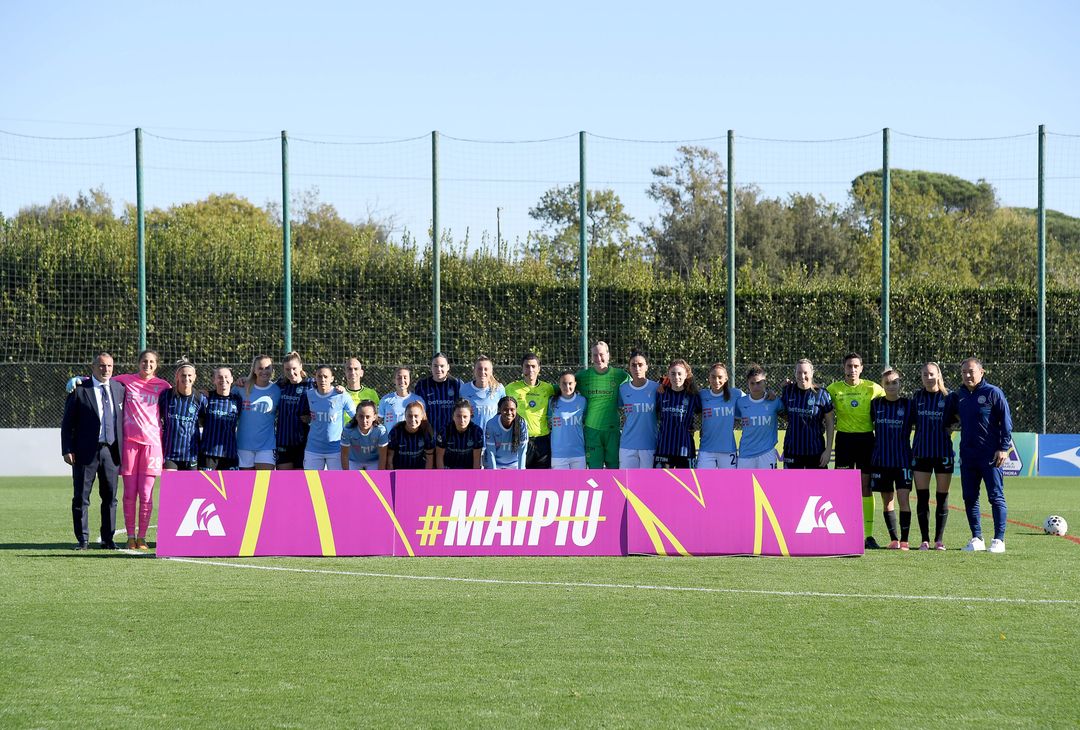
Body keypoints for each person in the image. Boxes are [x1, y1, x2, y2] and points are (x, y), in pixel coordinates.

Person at [948, 358, 1013, 554]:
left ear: (982, 372)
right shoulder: (957, 395)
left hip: (991, 455)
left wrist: (1003, 447)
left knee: (995, 497)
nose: (968, 375)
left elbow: (1006, 422)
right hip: (968, 455)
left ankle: (999, 540)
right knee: (969, 497)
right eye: (964, 372)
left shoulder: (993, 393)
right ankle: (977, 538)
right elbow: (948, 419)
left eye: (971, 371)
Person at [61, 352, 124, 550]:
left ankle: (108, 538)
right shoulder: (80, 390)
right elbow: (67, 424)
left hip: (111, 451)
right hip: (85, 451)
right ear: (93, 367)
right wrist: (67, 449)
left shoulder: (119, 388)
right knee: (81, 497)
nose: (106, 370)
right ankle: (83, 539)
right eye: (102, 366)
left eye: (109, 366)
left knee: (110, 497)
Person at [108, 350, 170, 549]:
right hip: (129, 444)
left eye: (152, 362)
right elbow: (102, 379)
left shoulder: (163, 386)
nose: (148, 365)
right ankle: (130, 537)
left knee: (145, 494)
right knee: (129, 493)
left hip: (152, 446)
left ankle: (142, 537)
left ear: (156, 365)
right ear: (138, 363)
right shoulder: (125, 380)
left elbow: (182, 392)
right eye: (144, 361)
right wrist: (79, 380)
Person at [827, 353, 886, 549]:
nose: (852, 370)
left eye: (855, 366)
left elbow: (890, 402)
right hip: (844, 440)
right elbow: (818, 398)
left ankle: (868, 535)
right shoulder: (834, 389)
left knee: (866, 488)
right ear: (843, 368)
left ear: (861, 368)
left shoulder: (873, 389)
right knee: (842, 488)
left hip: (866, 440)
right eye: (849, 366)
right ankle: (843, 532)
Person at [910, 362, 955, 550]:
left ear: (938, 375)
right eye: (924, 375)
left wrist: (953, 425)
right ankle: (925, 540)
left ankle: (939, 540)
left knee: (942, 496)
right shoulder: (917, 397)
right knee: (922, 496)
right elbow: (910, 421)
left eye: (931, 374)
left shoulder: (949, 397)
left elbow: (960, 417)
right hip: (921, 452)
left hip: (943, 452)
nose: (928, 378)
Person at [868, 368, 915, 549]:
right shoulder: (875, 405)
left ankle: (904, 540)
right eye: (887, 383)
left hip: (903, 460)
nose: (891, 386)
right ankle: (894, 539)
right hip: (881, 460)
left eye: (894, 382)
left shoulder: (909, 405)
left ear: (899, 384)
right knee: (887, 501)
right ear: (882, 385)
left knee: (903, 498)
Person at [576, 341, 630, 468]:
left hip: (613, 430)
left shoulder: (620, 375)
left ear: (608, 355)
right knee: (595, 470)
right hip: (591, 430)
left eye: (601, 354)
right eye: (594, 355)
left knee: (615, 468)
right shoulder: (583, 376)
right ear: (591, 357)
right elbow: (564, 384)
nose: (598, 358)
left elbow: (638, 387)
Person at [779, 359, 835, 469]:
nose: (802, 376)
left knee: (818, 486)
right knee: (792, 486)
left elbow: (830, 423)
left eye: (805, 373)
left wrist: (828, 450)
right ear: (795, 373)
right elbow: (782, 413)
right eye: (799, 372)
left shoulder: (822, 394)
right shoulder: (788, 391)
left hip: (816, 452)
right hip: (792, 451)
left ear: (812, 373)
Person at [505, 352, 556, 469]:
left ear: (539, 369)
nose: (530, 369)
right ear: (522, 369)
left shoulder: (548, 388)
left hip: (542, 440)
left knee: (542, 479)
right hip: (521, 439)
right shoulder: (511, 388)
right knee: (521, 478)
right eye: (527, 366)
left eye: (533, 366)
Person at [300, 366, 356, 470]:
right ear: (315, 378)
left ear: (332, 378)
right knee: (311, 483)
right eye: (319, 376)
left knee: (336, 484)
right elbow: (304, 416)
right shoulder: (309, 394)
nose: (323, 380)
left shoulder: (342, 395)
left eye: (326, 376)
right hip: (313, 449)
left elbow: (356, 417)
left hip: (336, 449)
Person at [159, 361, 207, 477]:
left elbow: (204, 421)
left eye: (189, 375)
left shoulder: (200, 399)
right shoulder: (166, 395)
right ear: (177, 376)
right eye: (183, 375)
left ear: (194, 377)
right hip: (170, 454)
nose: (186, 378)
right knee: (172, 490)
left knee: (189, 492)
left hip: (191, 455)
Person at [653, 359, 701, 469]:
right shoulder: (661, 393)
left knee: (687, 485)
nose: (676, 377)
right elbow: (653, 413)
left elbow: (703, 413)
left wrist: (699, 428)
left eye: (680, 374)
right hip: (664, 448)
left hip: (685, 450)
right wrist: (662, 383)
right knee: (660, 484)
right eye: (673, 374)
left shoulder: (693, 396)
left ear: (686, 375)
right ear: (668, 375)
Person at [236, 354, 281, 470]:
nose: (264, 371)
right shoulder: (241, 387)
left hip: (266, 446)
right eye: (260, 368)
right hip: (243, 445)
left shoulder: (277, 390)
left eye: (267, 368)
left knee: (264, 485)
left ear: (272, 370)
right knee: (246, 486)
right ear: (254, 370)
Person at [735, 364, 785, 469]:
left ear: (765, 382)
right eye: (752, 383)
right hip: (745, 454)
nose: (755, 387)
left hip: (767, 453)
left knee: (768, 485)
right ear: (747, 384)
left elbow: (787, 416)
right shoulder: (740, 403)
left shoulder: (774, 401)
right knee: (744, 485)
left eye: (758, 383)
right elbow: (732, 420)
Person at [617, 350, 659, 469]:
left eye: (640, 365)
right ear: (629, 367)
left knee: (648, 485)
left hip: (650, 445)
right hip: (627, 445)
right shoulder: (623, 389)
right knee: (626, 485)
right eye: (633, 365)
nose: (637, 368)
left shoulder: (656, 388)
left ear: (646, 366)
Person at [698, 362, 743, 469]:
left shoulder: (736, 394)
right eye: (713, 377)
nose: (716, 381)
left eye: (720, 377)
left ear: (726, 378)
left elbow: (754, 401)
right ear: (708, 377)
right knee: (703, 484)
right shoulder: (702, 395)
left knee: (729, 484)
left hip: (728, 449)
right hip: (706, 450)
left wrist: (768, 395)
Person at [275, 351, 313, 470]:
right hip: (283, 440)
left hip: (304, 442)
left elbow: (328, 394)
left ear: (301, 366)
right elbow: (261, 386)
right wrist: (245, 380)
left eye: (294, 368)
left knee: (301, 482)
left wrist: (340, 388)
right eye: (287, 369)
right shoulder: (280, 385)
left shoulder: (311, 384)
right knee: (284, 482)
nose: (291, 373)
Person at [413, 353, 464, 439]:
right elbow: (418, 410)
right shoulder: (422, 385)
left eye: (442, 366)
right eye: (435, 366)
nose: (439, 369)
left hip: (453, 435)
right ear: (431, 367)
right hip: (429, 435)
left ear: (448, 367)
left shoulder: (457, 384)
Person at [200, 367, 243, 471]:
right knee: (207, 487)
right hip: (208, 454)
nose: (223, 380)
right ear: (214, 380)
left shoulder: (237, 400)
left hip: (229, 453)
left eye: (226, 377)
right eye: (219, 377)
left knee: (230, 487)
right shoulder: (206, 398)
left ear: (232, 379)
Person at [549, 372, 587, 469]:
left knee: (579, 484)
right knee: (561, 484)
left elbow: (585, 420)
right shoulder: (552, 402)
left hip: (578, 453)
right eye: (564, 383)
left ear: (575, 384)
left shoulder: (582, 401)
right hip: (558, 454)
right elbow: (547, 420)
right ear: (559, 384)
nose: (567, 386)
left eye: (570, 383)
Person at [382, 401, 435, 469]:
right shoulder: (396, 431)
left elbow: (429, 458)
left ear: (421, 416)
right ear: (405, 416)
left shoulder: (426, 432)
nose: (413, 419)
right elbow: (389, 458)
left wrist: (426, 476)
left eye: (416, 416)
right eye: (410, 416)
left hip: (418, 472)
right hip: (399, 471)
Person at [460, 355, 506, 435]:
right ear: (474, 370)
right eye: (479, 369)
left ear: (491, 372)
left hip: (492, 438)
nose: (482, 372)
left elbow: (504, 412)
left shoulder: (499, 389)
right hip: (471, 437)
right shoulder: (464, 389)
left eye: (486, 369)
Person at [340, 400, 388, 471]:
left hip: (374, 461)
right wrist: (347, 475)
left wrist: (379, 475)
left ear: (374, 417)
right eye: (361, 416)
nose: (364, 420)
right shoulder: (348, 430)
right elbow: (344, 455)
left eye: (368, 417)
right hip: (354, 461)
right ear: (356, 416)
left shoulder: (381, 431)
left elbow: (383, 456)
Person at [435, 399, 484, 469]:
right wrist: (442, 477)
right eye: (458, 416)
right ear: (453, 416)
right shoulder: (444, 431)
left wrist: (475, 477)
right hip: (448, 470)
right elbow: (439, 457)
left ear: (470, 416)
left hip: (468, 471)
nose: (462, 420)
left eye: (465, 416)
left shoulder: (477, 432)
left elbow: (476, 460)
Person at [483, 396, 529, 469]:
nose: (509, 413)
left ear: (516, 410)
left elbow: (522, 452)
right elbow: (491, 452)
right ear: (499, 410)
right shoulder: (491, 424)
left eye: (512, 409)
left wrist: (521, 473)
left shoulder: (522, 424)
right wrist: (493, 474)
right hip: (496, 464)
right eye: (505, 409)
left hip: (514, 465)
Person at [378, 366, 424, 432]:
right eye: (399, 378)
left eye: (405, 377)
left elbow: (423, 421)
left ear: (409, 379)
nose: (402, 380)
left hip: (411, 440)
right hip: (391, 440)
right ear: (394, 380)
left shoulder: (418, 400)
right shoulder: (385, 400)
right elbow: (378, 421)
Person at [342, 357, 379, 426]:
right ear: (345, 373)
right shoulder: (340, 393)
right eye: (349, 369)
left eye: (356, 369)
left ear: (361, 373)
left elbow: (377, 417)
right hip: (343, 434)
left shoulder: (371, 393)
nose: (352, 372)